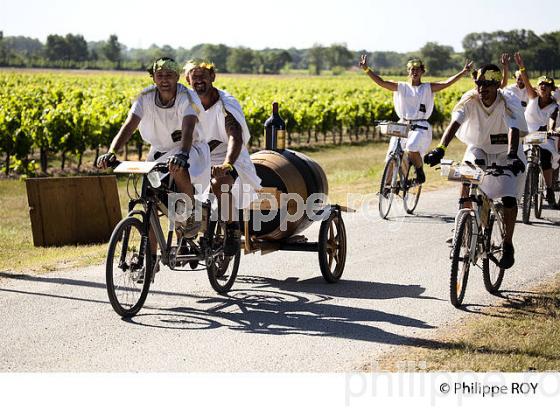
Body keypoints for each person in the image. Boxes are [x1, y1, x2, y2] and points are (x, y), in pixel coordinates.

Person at [97, 57, 211, 277]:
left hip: (190, 149)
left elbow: (188, 128)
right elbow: (129, 125)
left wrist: (183, 154)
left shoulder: (187, 96)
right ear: (153, 77)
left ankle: (189, 216)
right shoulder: (146, 96)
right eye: (160, 75)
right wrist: (112, 152)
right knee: (149, 199)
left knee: (177, 168)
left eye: (169, 75)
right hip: (159, 152)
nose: (164, 80)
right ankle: (149, 261)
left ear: (177, 77)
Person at [424, 64, 528, 269]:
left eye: (487, 85)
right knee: (466, 175)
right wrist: (441, 149)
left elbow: (513, 128)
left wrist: (513, 155)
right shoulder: (470, 99)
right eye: (479, 84)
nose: (482, 89)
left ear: (498, 85)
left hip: (506, 150)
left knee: (508, 198)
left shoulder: (507, 101)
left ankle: (507, 244)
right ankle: (462, 227)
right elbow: (456, 122)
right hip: (479, 147)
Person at [183, 59, 261, 256]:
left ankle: (232, 229)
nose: (199, 80)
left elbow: (235, 135)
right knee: (173, 185)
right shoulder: (185, 103)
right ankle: (183, 234)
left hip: (232, 155)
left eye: (203, 76)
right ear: (188, 80)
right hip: (200, 156)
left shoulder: (225, 103)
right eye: (195, 76)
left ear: (212, 77)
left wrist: (227, 164)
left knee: (221, 183)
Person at [359, 55, 473, 184]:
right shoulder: (401, 87)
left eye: (417, 69)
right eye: (412, 69)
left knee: (412, 147)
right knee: (391, 154)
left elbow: (446, 83)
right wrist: (367, 69)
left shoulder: (428, 88)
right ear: (408, 71)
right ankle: (387, 187)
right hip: (403, 124)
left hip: (421, 126)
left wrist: (463, 72)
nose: (415, 72)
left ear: (422, 72)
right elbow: (381, 82)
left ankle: (420, 173)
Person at [513, 52, 559, 206]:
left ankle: (549, 188)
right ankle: (520, 189)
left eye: (546, 85)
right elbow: (525, 80)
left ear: (551, 89)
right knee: (519, 159)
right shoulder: (532, 96)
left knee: (545, 158)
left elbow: (552, 119)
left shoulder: (554, 106)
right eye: (541, 85)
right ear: (538, 88)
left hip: (544, 135)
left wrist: (552, 130)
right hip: (526, 133)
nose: (543, 87)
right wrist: (521, 66)